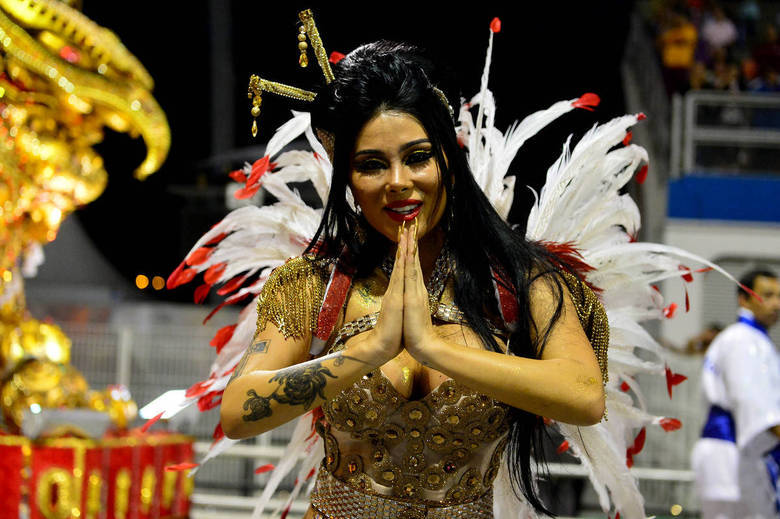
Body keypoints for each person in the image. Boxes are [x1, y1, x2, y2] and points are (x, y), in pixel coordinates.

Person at [219, 41, 607, 518]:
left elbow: (585, 395)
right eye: (371, 165)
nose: (398, 181)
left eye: (417, 157)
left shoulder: (520, 282)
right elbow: (237, 411)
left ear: (447, 158)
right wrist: (368, 350)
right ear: (349, 180)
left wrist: (435, 348)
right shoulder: (315, 286)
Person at [692, 268, 780, 519]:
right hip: (730, 454)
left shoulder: (753, 340)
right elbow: (752, 403)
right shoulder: (742, 340)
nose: (776, 303)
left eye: (778, 296)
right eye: (768, 295)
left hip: (736, 453)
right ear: (744, 299)